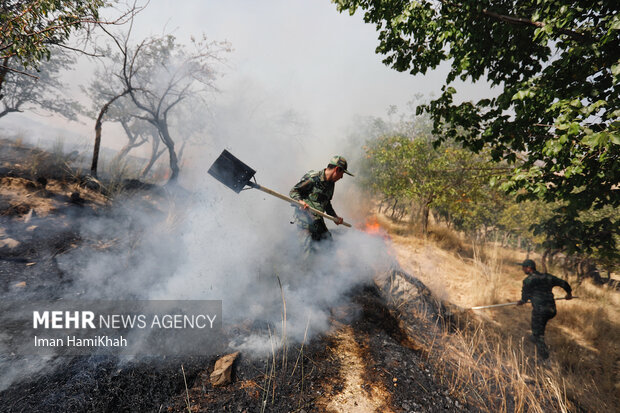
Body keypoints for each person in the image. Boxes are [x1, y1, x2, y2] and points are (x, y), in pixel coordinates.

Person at [289, 156, 353, 254]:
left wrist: (335, 217)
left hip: (317, 220)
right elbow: (293, 191)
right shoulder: (313, 178)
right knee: (308, 252)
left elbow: (327, 203)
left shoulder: (331, 184)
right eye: (342, 173)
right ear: (336, 169)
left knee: (330, 246)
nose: (341, 177)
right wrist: (300, 202)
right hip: (304, 221)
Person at [516, 259, 572, 359]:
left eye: (524, 267)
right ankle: (535, 338)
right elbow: (564, 283)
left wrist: (521, 301)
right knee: (538, 330)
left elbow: (525, 298)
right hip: (551, 310)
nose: (522, 269)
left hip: (540, 311)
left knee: (538, 335)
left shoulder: (528, 280)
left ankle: (545, 358)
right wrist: (569, 294)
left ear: (529, 268)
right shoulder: (547, 277)